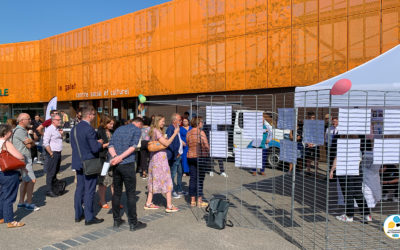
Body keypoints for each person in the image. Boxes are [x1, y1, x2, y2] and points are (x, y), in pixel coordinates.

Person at [108, 117, 147, 231]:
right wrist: (120, 157)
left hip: (116, 164)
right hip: (127, 163)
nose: (141, 128)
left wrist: (115, 157)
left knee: (117, 193)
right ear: (139, 123)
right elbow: (133, 147)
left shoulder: (119, 129)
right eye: (141, 126)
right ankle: (133, 223)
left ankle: (116, 220)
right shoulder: (136, 130)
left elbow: (110, 145)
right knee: (130, 194)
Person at [71, 106, 104, 225]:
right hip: (89, 162)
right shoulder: (89, 129)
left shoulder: (74, 128)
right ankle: (89, 217)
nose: (95, 117)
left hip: (77, 162)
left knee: (79, 188)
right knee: (89, 190)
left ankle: (78, 214)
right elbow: (94, 148)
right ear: (89, 115)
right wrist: (100, 144)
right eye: (94, 115)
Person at [329, 135, 371, 223]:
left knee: (348, 193)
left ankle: (349, 215)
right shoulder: (359, 146)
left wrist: (332, 169)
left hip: (345, 171)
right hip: (357, 170)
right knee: (358, 193)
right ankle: (366, 214)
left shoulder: (344, 145)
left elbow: (338, 157)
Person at [145, 115, 180, 213]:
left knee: (153, 179)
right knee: (167, 180)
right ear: (157, 121)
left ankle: (148, 203)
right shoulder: (157, 131)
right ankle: (169, 205)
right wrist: (174, 133)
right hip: (160, 160)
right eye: (162, 121)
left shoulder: (153, 131)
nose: (163, 123)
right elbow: (167, 143)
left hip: (154, 159)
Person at [0, 124, 26, 228]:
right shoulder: (6, 143)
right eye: (10, 131)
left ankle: (1, 216)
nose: (11, 133)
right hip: (8, 172)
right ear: (6, 133)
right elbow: (20, 156)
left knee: (2, 195)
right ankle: (10, 220)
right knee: (9, 196)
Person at [12, 113, 39, 211]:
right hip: (24, 160)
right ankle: (29, 203)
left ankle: (21, 202)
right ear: (22, 120)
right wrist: (31, 141)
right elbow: (29, 145)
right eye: (28, 118)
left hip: (23, 159)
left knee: (25, 181)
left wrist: (31, 141)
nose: (30, 120)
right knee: (32, 180)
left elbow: (33, 140)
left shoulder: (20, 130)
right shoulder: (20, 131)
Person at [186, 116, 209, 208]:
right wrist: (208, 152)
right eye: (201, 122)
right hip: (200, 156)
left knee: (193, 178)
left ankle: (192, 200)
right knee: (200, 179)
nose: (202, 123)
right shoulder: (201, 132)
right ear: (198, 123)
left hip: (190, 156)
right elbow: (206, 145)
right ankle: (199, 200)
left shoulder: (189, 133)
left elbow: (187, 143)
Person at [43, 114, 64, 198]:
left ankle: (54, 187)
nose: (60, 121)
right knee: (51, 172)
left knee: (55, 171)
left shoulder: (57, 129)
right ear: (53, 121)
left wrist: (61, 134)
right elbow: (45, 142)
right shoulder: (49, 129)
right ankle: (49, 190)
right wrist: (50, 152)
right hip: (53, 152)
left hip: (58, 152)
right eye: (58, 120)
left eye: (60, 119)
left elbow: (58, 140)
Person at [97, 115, 115, 209]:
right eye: (110, 123)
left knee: (114, 181)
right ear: (105, 123)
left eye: (113, 123)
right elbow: (97, 146)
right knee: (103, 181)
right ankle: (102, 201)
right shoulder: (99, 132)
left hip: (113, 158)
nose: (112, 125)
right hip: (104, 159)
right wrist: (109, 144)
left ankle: (115, 201)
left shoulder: (112, 131)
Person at [166, 113, 185, 198]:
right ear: (174, 121)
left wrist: (181, 142)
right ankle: (172, 191)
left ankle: (179, 189)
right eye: (179, 120)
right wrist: (175, 153)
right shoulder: (170, 128)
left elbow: (177, 139)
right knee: (172, 174)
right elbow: (170, 142)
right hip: (175, 155)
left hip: (179, 154)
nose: (181, 122)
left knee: (180, 172)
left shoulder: (177, 128)